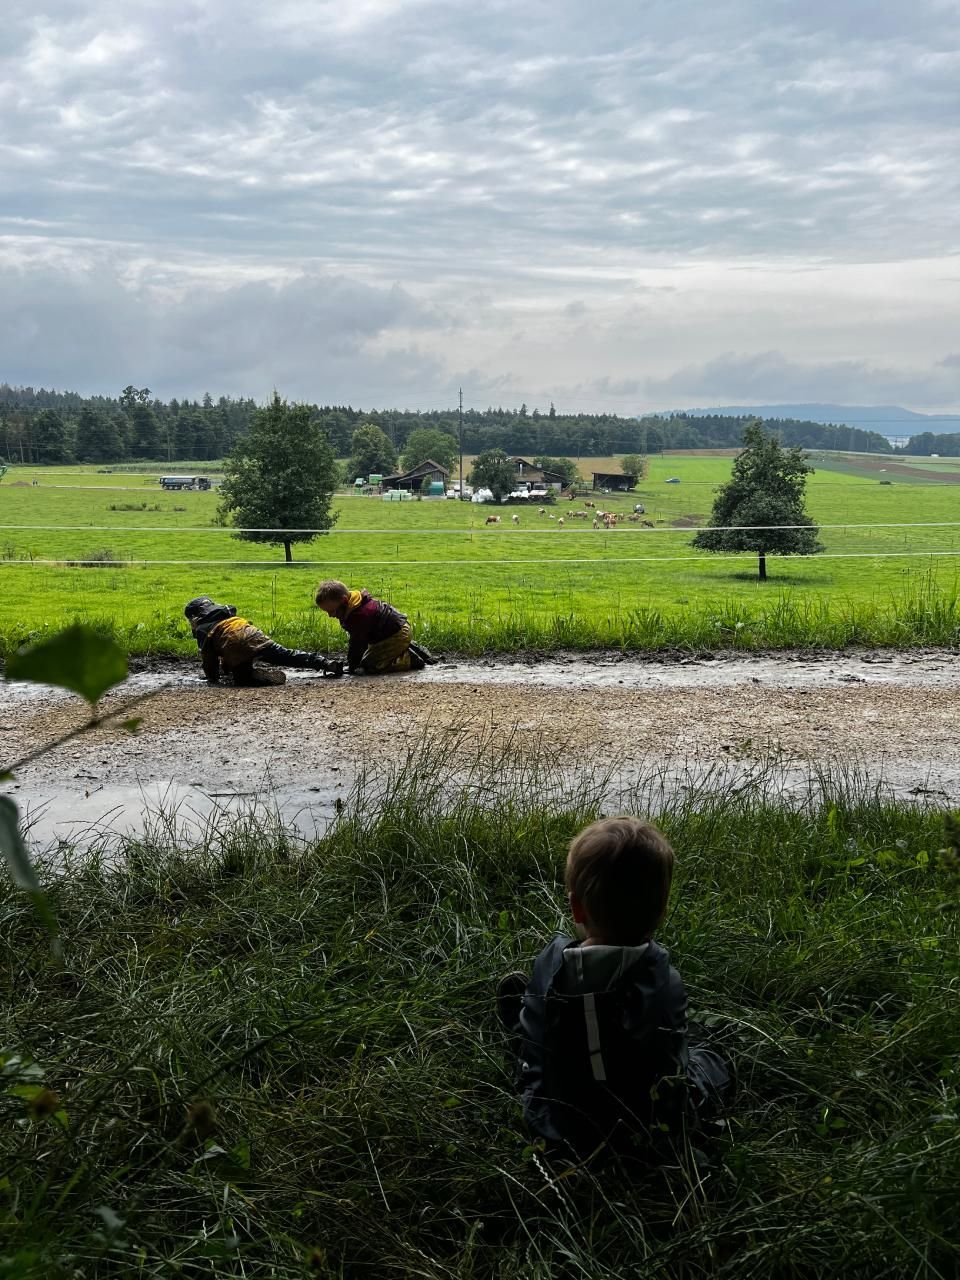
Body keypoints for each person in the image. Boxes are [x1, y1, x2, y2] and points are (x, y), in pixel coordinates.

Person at [498, 816, 732, 1160]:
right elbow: (669, 1064)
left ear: (576, 906)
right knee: (710, 1053)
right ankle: (720, 1049)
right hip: (646, 1130)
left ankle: (523, 1019)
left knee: (537, 1036)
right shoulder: (664, 981)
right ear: (662, 911)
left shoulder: (550, 964)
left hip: (556, 1126)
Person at [184, 596, 343, 686]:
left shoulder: (202, 628)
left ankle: (255, 676)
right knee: (287, 655)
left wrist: (212, 677)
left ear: (194, 617)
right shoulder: (227, 614)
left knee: (241, 679)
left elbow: (209, 657)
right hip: (253, 635)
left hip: (234, 646)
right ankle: (325, 663)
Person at [314, 580, 437, 674]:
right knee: (366, 659)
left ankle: (409, 659)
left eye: (333, 611)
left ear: (344, 600)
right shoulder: (355, 605)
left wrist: (352, 667)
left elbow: (357, 644)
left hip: (397, 634)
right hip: (389, 633)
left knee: (370, 665)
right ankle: (406, 647)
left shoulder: (359, 615)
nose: (330, 615)